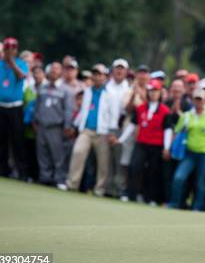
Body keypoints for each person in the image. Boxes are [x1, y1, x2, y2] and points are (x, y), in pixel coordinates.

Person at [119, 79, 172, 205]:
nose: (153, 93)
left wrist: (167, 147)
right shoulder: (141, 108)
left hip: (157, 145)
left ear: (160, 93)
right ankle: (130, 194)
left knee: (153, 171)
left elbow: (168, 130)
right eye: (151, 91)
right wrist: (120, 139)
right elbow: (132, 125)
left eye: (156, 91)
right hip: (141, 142)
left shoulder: (165, 111)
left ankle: (151, 198)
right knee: (134, 167)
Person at [65, 64, 114, 196]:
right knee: (78, 152)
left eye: (99, 74)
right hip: (86, 130)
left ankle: (99, 189)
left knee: (103, 163)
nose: (97, 77)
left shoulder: (109, 94)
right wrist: (74, 125)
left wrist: (112, 132)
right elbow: (83, 111)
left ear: (105, 77)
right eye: (95, 74)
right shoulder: (87, 91)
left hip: (103, 132)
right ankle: (72, 184)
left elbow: (113, 115)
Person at [0, 37, 29, 180]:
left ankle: (21, 172)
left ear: (16, 50)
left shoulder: (21, 63)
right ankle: (3, 169)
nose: (9, 51)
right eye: (7, 49)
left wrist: (12, 63)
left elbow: (21, 76)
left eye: (12, 48)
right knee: (1, 139)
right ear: (4, 50)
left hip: (15, 107)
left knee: (17, 140)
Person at [33, 62, 74, 188]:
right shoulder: (43, 87)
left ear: (61, 72)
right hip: (42, 126)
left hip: (56, 127)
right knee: (42, 154)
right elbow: (37, 106)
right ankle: (45, 178)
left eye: (56, 69)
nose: (53, 71)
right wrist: (35, 120)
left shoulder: (66, 90)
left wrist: (67, 126)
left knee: (58, 156)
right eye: (52, 69)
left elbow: (68, 109)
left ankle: (59, 179)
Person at [105, 58, 131, 198]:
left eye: (122, 68)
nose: (119, 71)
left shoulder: (129, 90)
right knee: (107, 162)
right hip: (106, 129)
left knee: (120, 161)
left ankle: (119, 190)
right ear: (113, 70)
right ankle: (108, 189)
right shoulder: (106, 87)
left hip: (121, 130)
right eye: (117, 68)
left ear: (126, 71)